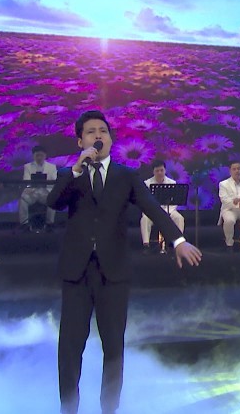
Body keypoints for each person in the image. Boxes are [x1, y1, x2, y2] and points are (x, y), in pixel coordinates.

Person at [46, 110, 202, 414]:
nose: (98, 136)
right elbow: (54, 202)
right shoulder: (70, 176)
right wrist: (76, 169)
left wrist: (178, 240)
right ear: (80, 141)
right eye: (90, 132)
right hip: (77, 272)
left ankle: (109, 408)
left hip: (113, 272)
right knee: (70, 348)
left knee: (113, 347)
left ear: (110, 138)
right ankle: (68, 408)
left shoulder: (126, 176)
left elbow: (153, 208)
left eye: (103, 131)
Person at [140, 160, 185, 253]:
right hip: (152, 212)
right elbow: (145, 202)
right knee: (144, 219)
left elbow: (174, 202)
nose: (160, 173)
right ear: (153, 172)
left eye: (161, 170)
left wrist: (166, 212)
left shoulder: (172, 183)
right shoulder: (147, 184)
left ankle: (178, 244)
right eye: (157, 171)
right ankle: (146, 245)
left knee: (179, 218)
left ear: (165, 170)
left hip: (169, 210)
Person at [19, 145, 58, 229]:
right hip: (32, 193)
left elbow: (55, 180)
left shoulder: (52, 167)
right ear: (33, 156)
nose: (39, 157)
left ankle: (49, 223)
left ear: (45, 155)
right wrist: (30, 187)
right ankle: (24, 223)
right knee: (23, 199)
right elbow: (26, 180)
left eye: (41, 155)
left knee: (52, 199)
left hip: (46, 193)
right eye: (37, 155)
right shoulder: (27, 166)